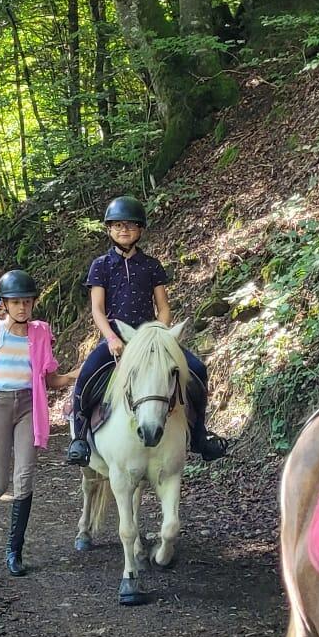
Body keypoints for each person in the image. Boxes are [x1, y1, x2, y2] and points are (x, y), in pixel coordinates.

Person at [65, 196, 229, 466]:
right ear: (109, 229)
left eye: (131, 225)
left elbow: (163, 307)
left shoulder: (152, 265)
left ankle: (200, 435)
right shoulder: (101, 265)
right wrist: (111, 338)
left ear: (140, 229)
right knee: (87, 374)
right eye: (118, 225)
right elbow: (97, 309)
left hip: (150, 337)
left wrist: (159, 334)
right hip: (116, 337)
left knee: (197, 369)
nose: (124, 230)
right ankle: (80, 439)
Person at [0, 269, 77, 575]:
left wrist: (75, 375)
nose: (22, 307)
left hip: (29, 406)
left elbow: (49, 379)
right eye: (15, 302)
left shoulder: (40, 334)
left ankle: (14, 551)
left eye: (27, 302)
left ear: (33, 303)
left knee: (24, 477)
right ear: (4, 304)